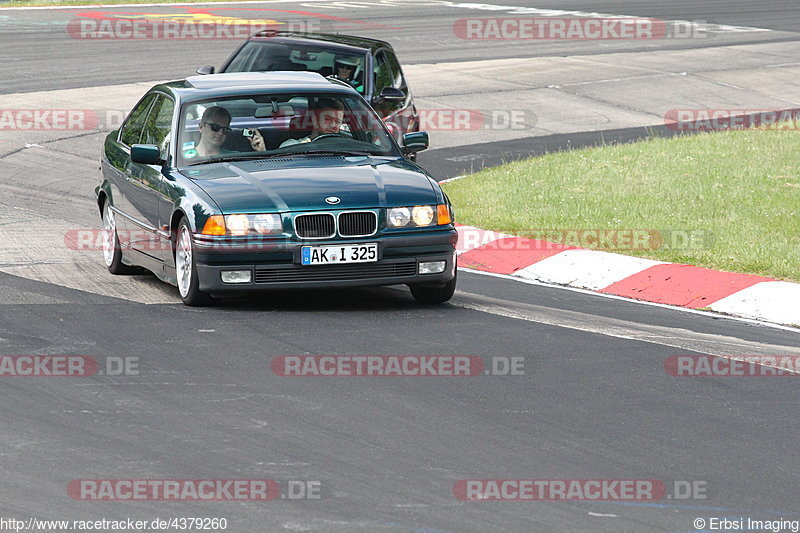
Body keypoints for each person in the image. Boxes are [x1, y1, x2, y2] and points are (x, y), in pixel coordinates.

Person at [195, 106, 265, 157]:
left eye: (225, 130)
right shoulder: (185, 158)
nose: (220, 133)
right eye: (215, 127)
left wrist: (262, 151)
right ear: (201, 127)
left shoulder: (235, 157)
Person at [280, 98, 345, 148]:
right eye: (327, 119)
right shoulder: (292, 146)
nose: (333, 125)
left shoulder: (347, 149)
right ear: (315, 119)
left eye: (337, 121)